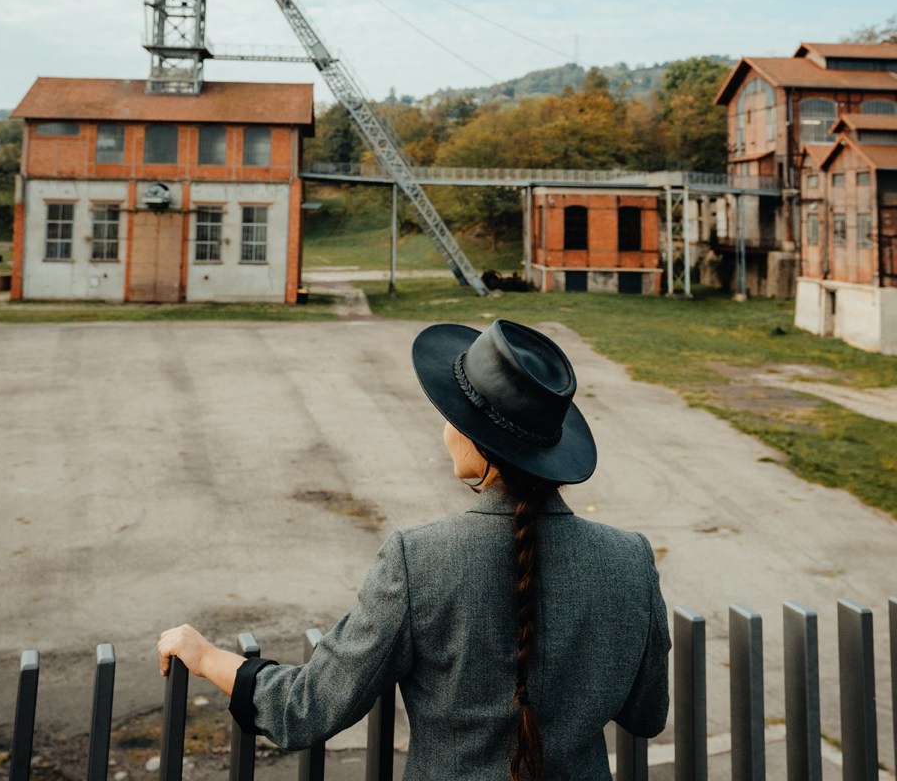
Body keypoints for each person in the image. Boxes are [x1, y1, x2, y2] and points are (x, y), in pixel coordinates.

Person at [158, 320, 670, 780]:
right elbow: (646, 715)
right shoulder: (630, 560)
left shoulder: (417, 559)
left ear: (479, 441)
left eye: (450, 415)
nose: (444, 429)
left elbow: (306, 708)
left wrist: (203, 656)